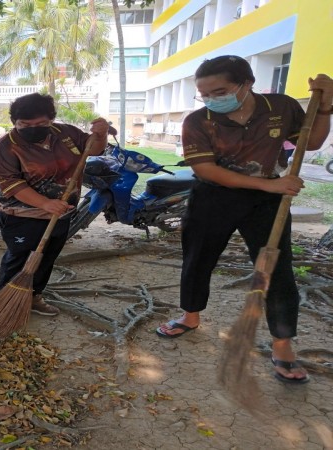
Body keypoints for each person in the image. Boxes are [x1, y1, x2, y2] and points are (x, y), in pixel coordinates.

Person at [155, 55, 333, 385]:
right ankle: (190, 316)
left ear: (246, 83)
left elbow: (313, 141)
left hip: (267, 202)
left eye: (219, 91)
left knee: (275, 268)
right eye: (204, 93)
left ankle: (283, 345)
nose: (211, 99)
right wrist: (270, 183)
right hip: (214, 195)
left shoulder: (280, 106)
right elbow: (206, 169)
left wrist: (325, 107)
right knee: (198, 258)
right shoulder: (198, 121)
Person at [0, 93, 110, 316]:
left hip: (61, 212)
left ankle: (34, 296)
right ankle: (4, 301)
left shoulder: (65, 133)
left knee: (46, 257)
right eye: (25, 124)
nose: (33, 128)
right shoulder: (7, 146)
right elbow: (11, 183)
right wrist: (45, 203)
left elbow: (92, 148)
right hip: (22, 214)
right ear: (14, 122)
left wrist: (101, 135)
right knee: (20, 258)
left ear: (51, 120)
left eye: (41, 123)